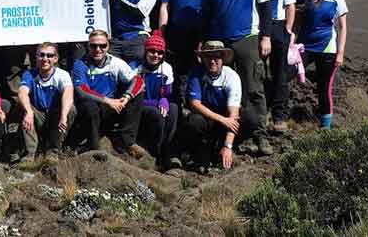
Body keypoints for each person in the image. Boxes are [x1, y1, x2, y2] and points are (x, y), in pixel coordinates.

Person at [200, 0, 273, 155]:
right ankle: (233, 134)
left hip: (247, 38)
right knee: (226, 90)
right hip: (220, 43)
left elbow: (266, 7)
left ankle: (259, 134)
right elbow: (206, 15)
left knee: (253, 88)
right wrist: (204, 42)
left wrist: (266, 36)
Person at [294, 0, 348, 129]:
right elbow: (296, 23)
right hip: (304, 46)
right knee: (284, 75)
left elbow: (342, 27)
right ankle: (277, 114)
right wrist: (292, 44)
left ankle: (325, 126)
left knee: (324, 87)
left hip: (327, 49)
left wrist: (340, 53)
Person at [72, 30, 145, 156]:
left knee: (138, 94)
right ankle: (93, 146)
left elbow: (138, 81)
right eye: (93, 46)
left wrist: (126, 97)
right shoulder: (79, 64)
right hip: (90, 109)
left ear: (108, 46)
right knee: (89, 106)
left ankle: (126, 141)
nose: (98, 49)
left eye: (102, 46)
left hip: (111, 108)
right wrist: (108, 101)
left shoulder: (115, 62)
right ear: (88, 46)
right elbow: (82, 90)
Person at [252, 0, 296, 132]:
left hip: (277, 26)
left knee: (280, 72)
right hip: (256, 26)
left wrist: (288, 28)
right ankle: (259, 112)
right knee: (256, 71)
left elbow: (290, 4)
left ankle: (279, 115)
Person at [185, 41, 242, 174]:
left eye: (216, 57)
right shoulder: (196, 73)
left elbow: (233, 115)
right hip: (207, 118)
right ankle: (198, 151)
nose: (212, 61)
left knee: (249, 117)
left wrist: (228, 146)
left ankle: (225, 148)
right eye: (208, 57)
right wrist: (222, 119)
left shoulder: (231, 77)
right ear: (203, 59)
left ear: (222, 59)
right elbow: (195, 104)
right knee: (194, 121)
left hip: (224, 120)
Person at [16, 42, 75, 162]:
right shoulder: (30, 74)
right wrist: (28, 112)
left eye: (49, 55)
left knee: (70, 109)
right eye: (41, 55)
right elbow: (22, 92)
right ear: (36, 57)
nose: (45, 59)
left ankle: (53, 151)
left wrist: (64, 115)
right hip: (38, 116)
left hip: (55, 116)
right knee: (23, 107)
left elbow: (68, 94)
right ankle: (30, 154)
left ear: (56, 58)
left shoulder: (62, 74)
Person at [132, 32, 178, 170]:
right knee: (155, 114)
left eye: (159, 52)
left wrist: (164, 99)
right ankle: (154, 152)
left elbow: (168, 92)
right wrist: (155, 103)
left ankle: (166, 149)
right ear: (146, 51)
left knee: (174, 109)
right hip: (140, 106)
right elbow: (133, 95)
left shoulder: (167, 68)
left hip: (157, 103)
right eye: (152, 51)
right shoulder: (135, 68)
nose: (156, 55)